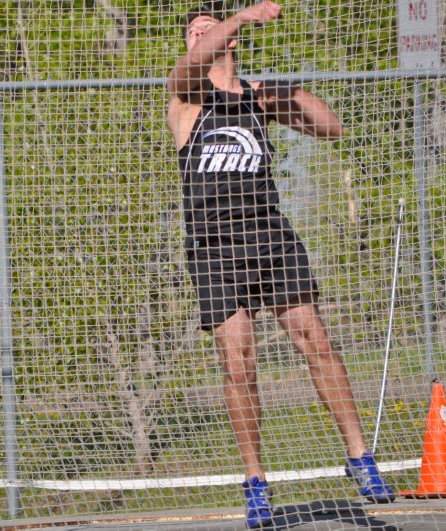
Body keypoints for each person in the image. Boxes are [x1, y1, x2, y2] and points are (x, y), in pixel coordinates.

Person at [166, 2, 395, 527]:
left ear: (234, 46)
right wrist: (239, 19)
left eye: (209, 27)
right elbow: (192, 63)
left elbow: (330, 127)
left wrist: (286, 92)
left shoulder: (255, 98)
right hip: (213, 244)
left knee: (315, 339)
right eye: (195, 30)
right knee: (239, 362)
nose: (201, 34)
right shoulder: (186, 96)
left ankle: (361, 458)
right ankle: (255, 483)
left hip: (269, 234)